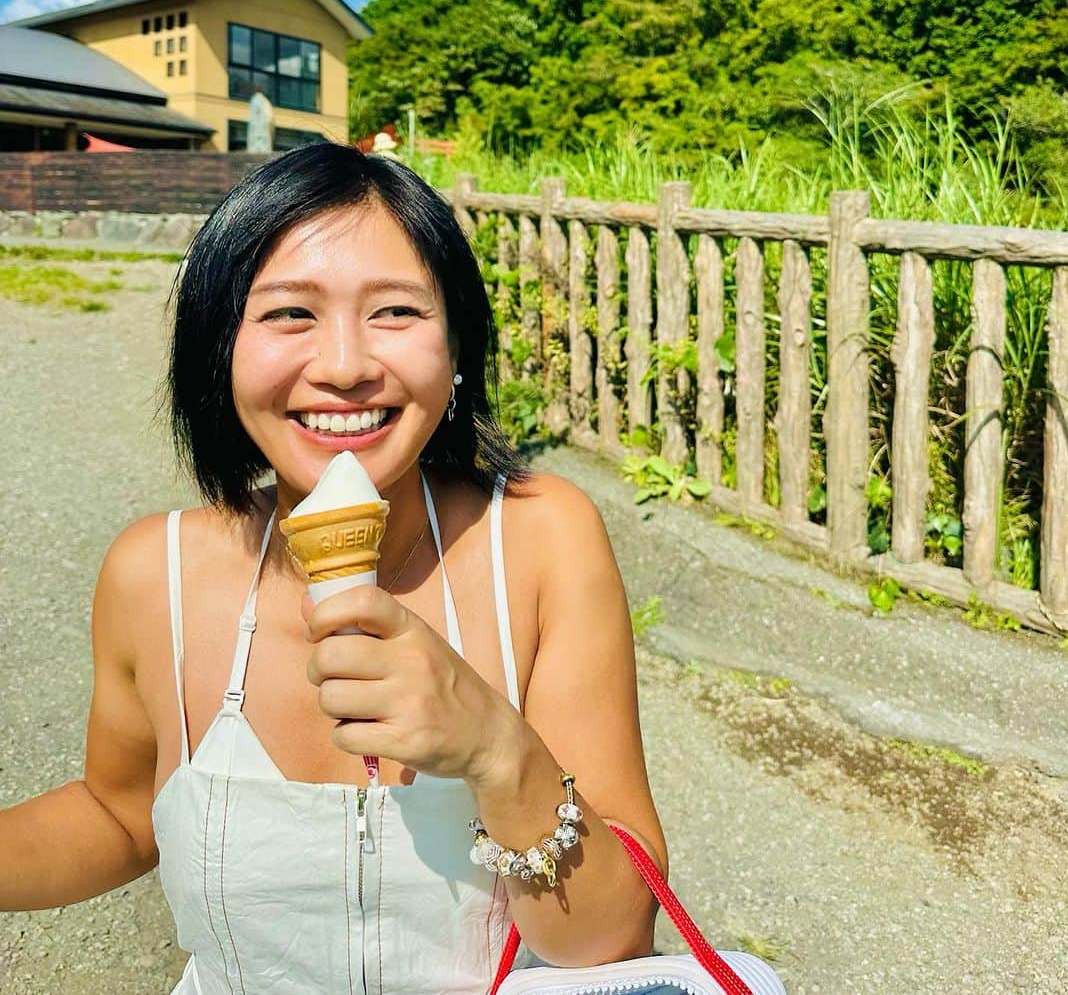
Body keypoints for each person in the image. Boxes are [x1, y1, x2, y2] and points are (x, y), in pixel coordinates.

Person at [0, 143, 667, 993]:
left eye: (395, 310)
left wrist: (498, 749)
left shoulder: (539, 541)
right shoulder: (151, 572)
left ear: (457, 343)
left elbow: (616, 933)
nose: (347, 365)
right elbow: (120, 813)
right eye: (288, 314)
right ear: (220, 349)